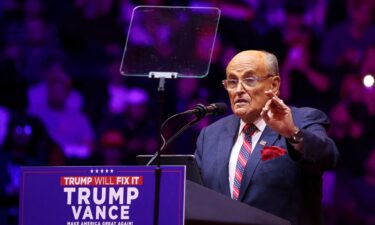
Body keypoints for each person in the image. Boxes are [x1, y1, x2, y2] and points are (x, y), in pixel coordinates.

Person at [194, 50, 339, 225]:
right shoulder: (210, 135)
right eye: (232, 82)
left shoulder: (302, 119)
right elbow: (197, 195)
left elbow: (328, 157)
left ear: (274, 85)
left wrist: (292, 132)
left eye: (249, 80)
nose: (239, 90)